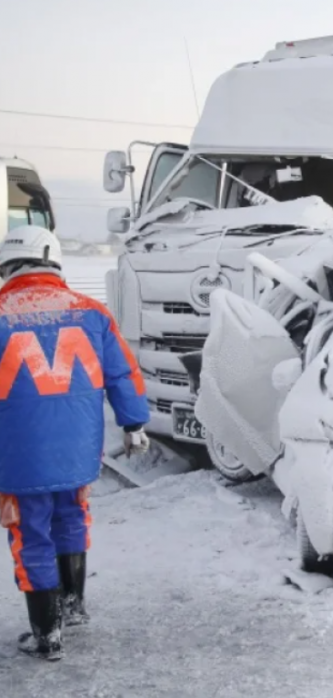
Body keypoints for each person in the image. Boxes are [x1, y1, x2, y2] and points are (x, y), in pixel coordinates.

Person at [0, 225, 150, 661]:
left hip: (19, 455)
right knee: (71, 517)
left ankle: (47, 634)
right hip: (78, 451)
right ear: (52, 258)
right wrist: (134, 422)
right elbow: (123, 373)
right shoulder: (91, 312)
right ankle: (72, 606)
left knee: (31, 535)